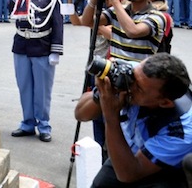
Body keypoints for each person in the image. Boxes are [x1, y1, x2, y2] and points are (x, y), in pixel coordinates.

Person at [74, 53, 192, 187]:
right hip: (129, 148)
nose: (129, 86)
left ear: (164, 102)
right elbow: (80, 114)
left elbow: (128, 174)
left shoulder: (181, 131)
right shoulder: (135, 74)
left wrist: (110, 115)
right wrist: (101, 94)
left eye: (139, 88)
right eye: (133, 77)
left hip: (163, 169)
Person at [8, 0, 64, 143]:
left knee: (42, 89)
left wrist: (56, 50)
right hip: (22, 43)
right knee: (24, 86)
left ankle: (44, 124)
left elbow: (57, 21)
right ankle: (27, 122)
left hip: (42, 44)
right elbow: (10, 10)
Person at [80, 0, 170, 63]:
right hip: (115, 70)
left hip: (139, 71)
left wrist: (115, 0)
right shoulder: (118, 10)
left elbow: (133, 32)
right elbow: (87, 22)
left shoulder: (157, 16)